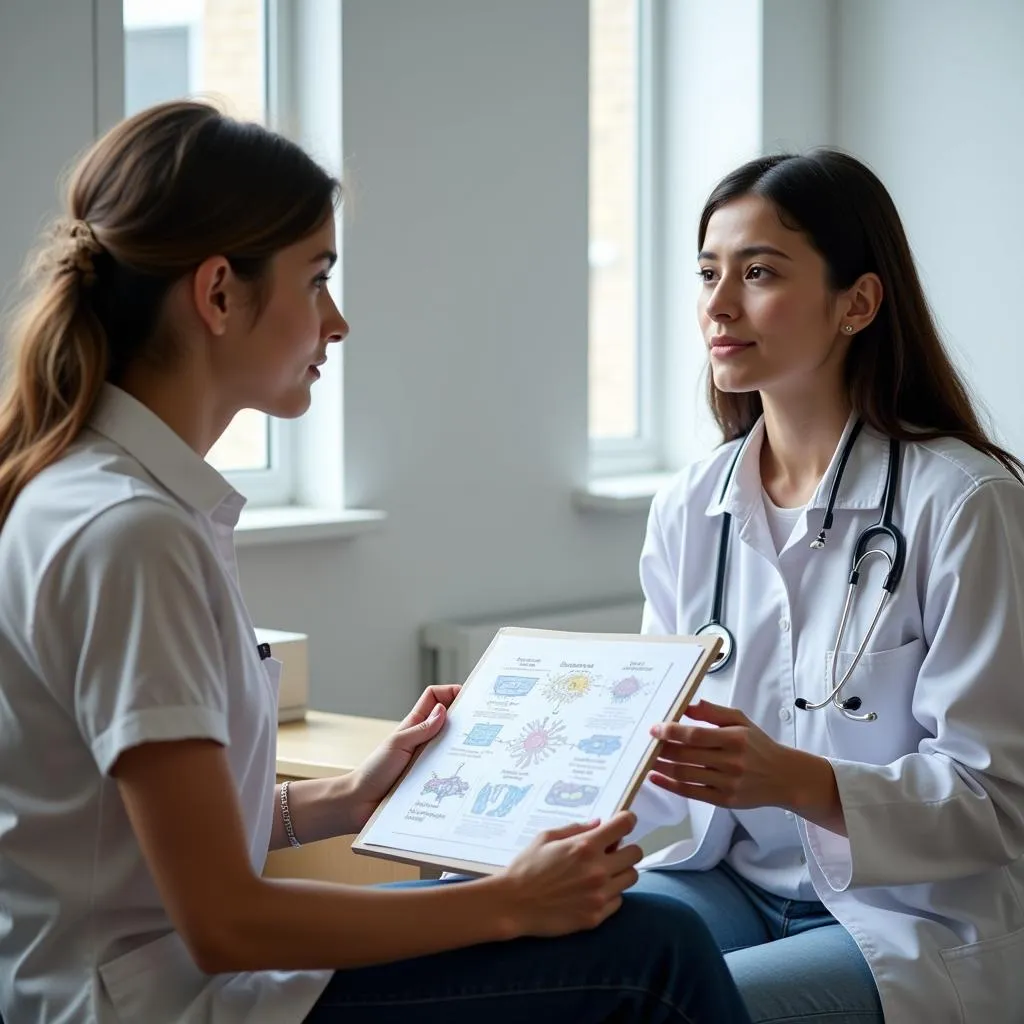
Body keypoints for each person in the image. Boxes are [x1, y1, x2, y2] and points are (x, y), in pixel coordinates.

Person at [0, 100, 756, 1024]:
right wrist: (513, 899)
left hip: (178, 977)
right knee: (655, 952)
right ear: (218, 294)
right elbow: (223, 923)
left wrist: (344, 799)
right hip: (163, 1004)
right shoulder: (130, 533)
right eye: (316, 279)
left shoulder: (108, 498)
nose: (338, 321)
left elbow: (141, 850)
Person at [626, 149, 1024, 1023]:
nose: (719, 306)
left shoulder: (964, 503)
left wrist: (796, 779)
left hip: (905, 915)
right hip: (727, 882)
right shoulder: (692, 505)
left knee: (680, 1008)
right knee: (557, 969)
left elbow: (997, 802)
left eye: (759, 272)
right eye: (707, 274)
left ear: (859, 303)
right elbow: (656, 753)